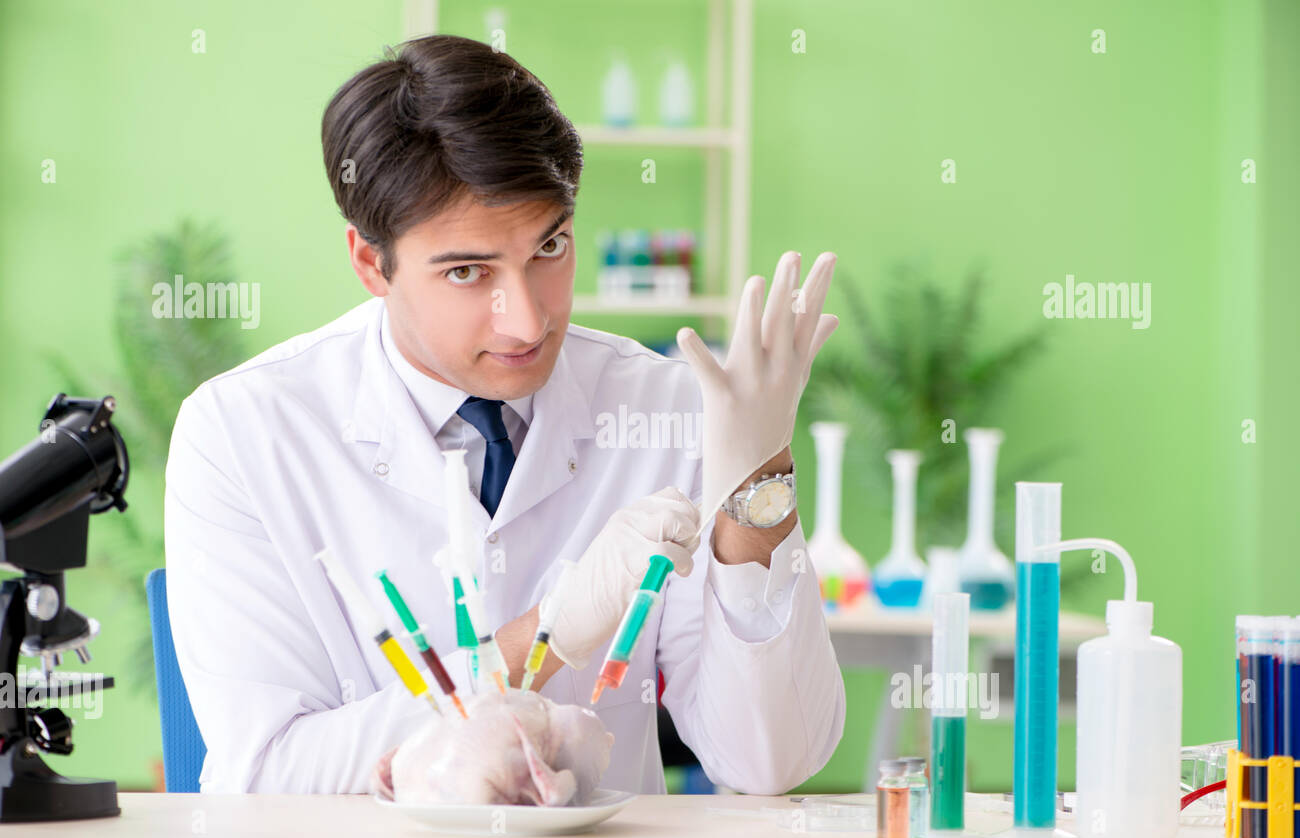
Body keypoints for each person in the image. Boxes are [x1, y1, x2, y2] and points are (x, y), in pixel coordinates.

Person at [164, 34, 845, 795]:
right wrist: (547, 632)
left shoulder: (663, 406)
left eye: (549, 246)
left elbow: (769, 761)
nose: (526, 320)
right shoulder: (242, 431)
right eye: (467, 270)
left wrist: (760, 486)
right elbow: (268, 772)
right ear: (369, 262)